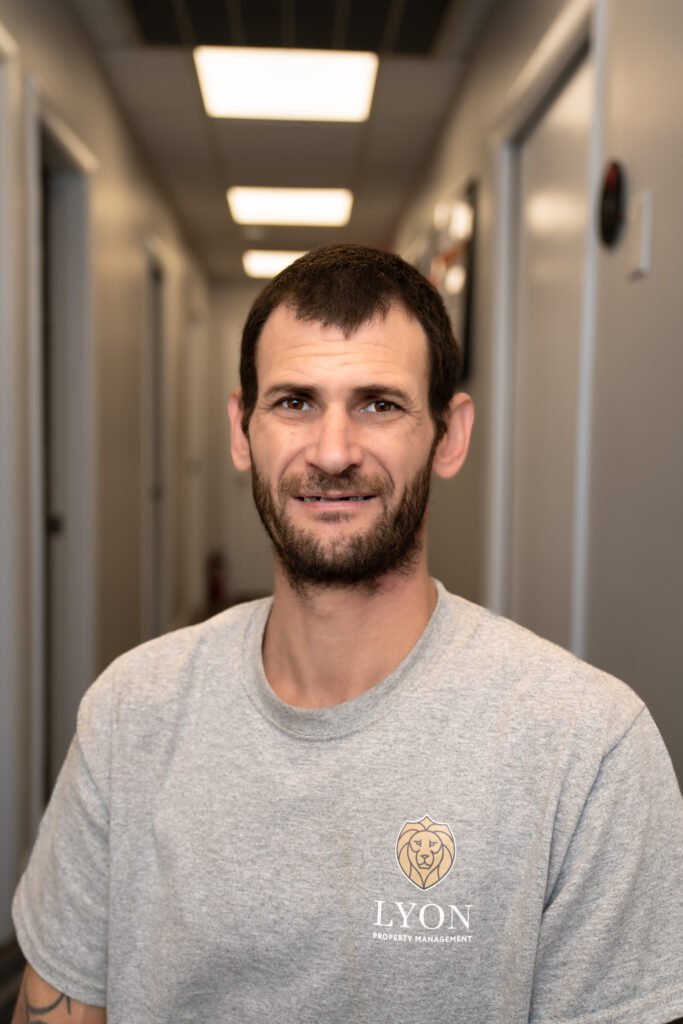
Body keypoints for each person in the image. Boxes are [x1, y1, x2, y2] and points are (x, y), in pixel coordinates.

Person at [11, 244, 683, 1024]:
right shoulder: (131, 711)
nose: (332, 452)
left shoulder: (585, 745)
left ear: (448, 435)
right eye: (295, 401)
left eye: (379, 404)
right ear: (242, 429)